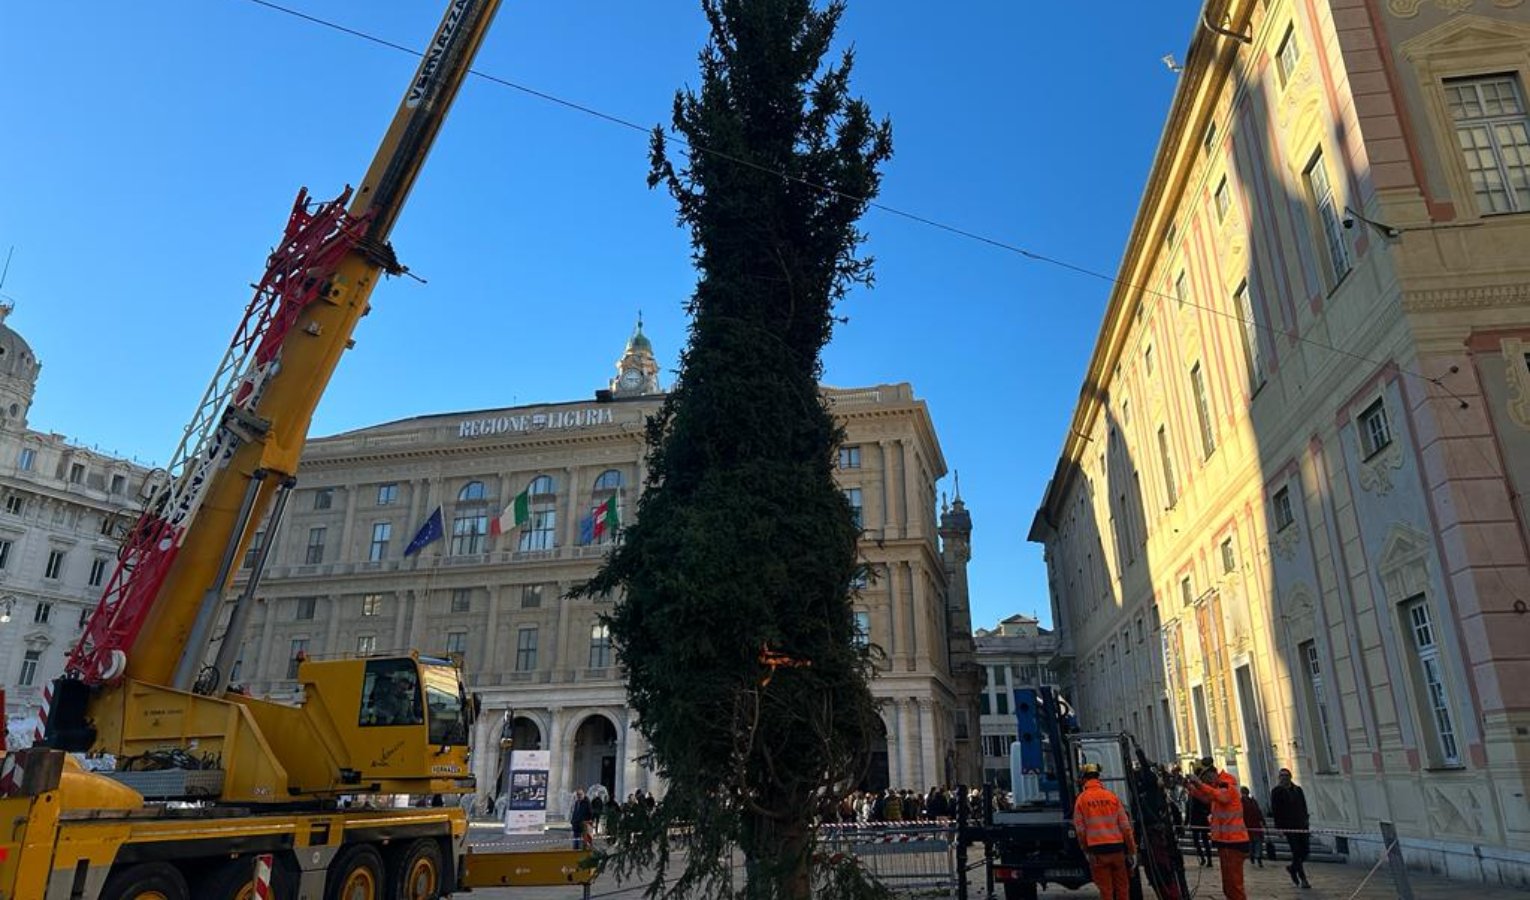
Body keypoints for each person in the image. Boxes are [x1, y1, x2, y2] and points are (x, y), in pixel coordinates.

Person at [1184, 757, 1248, 900]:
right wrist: (1190, 788)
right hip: (1225, 842)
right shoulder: (1217, 787)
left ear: (1211, 774)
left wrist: (1199, 784)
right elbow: (1207, 798)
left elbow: (1221, 797)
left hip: (1234, 842)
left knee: (1234, 884)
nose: (1206, 783)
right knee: (1228, 884)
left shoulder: (1226, 783)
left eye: (1205, 779)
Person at [1072, 763, 1137, 900]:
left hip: (1097, 853)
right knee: (1123, 890)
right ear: (1098, 778)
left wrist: (1086, 849)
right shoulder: (1112, 797)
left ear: (1084, 779)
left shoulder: (1081, 800)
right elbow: (1125, 827)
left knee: (1106, 891)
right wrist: (1132, 850)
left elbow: (1080, 830)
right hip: (1117, 850)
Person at [1270, 768, 1312, 889]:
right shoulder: (1276, 791)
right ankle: (1303, 878)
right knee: (1296, 851)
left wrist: (1306, 821)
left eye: (1286, 775)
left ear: (1290, 777)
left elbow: (1303, 806)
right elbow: (1275, 810)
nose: (1284, 778)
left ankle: (1292, 868)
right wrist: (1279, 828)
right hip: (1288, 826)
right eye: (1281, 776)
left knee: (1305, 851)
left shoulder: (1298, 790)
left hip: (1301, 825)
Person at [1186, 788, 1213, 866]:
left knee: (1205, 841)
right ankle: (1202, 858)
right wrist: (1187, 822)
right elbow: (1188, 811)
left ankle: (1209, 859)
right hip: (1194, 822)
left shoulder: (1200, 797)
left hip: (1201, 821)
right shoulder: (1190, 799)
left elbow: (1208, 808)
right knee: (1196, 841)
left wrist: (1204, 814)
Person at [1239, 786, 1266, 868]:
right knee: (1251, 843)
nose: (1245, 795)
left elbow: (1258, 811)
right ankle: (1252, 855)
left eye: (1246, 793)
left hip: (1255, 825)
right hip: (1247, 826)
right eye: (1243, 793)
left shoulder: (1253, 801)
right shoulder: (1240, 802)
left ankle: (1258, 857)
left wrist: (1262, 820)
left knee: (1258, 842)